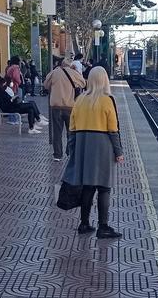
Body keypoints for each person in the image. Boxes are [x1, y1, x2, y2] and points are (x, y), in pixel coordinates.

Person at [63, 67, 123, 239]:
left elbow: (72, 128)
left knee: (88, 187)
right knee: (104, 187)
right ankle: (103, 226)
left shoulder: (80, 99)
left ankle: (84, 223)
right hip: (103, 147)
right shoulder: (107, 100)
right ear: (104, 80)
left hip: (83, 147)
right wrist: (118, 151)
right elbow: (113, 129)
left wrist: (71, 149)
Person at [46, 59, 85, 161]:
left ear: (61, 64)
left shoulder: (54, 72)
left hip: (56, 107)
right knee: (71, 131)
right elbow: (83, 83)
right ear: (70, 65)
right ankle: (70, 152)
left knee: (57, 132)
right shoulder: (73, 73)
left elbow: (46, 84)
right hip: (69, 107)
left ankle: (57, 155)